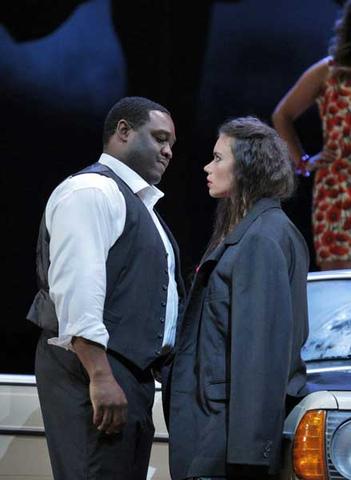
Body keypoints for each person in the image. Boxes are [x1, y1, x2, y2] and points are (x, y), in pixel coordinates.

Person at [26, 96, 186, 480]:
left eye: (172, 145)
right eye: (160, 138)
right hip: (94, 367)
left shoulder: (140, 205)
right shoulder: (92, 191)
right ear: (123, 131)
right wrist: (100, 374)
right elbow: (78, 286)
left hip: (127, 372)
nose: (167, 151)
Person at [167, 116, 310, 480]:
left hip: (227, 441)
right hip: (215, 432)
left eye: (218, 158)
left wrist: (248, 456)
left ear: (247, 166)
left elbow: (261, 351)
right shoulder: (250, 232)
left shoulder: (262, 238)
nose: (207, 167)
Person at [272, 0, 351, 271]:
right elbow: (282, 115)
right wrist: (303, 161)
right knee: (340, 288)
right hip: (338, 188)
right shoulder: (329, 71)